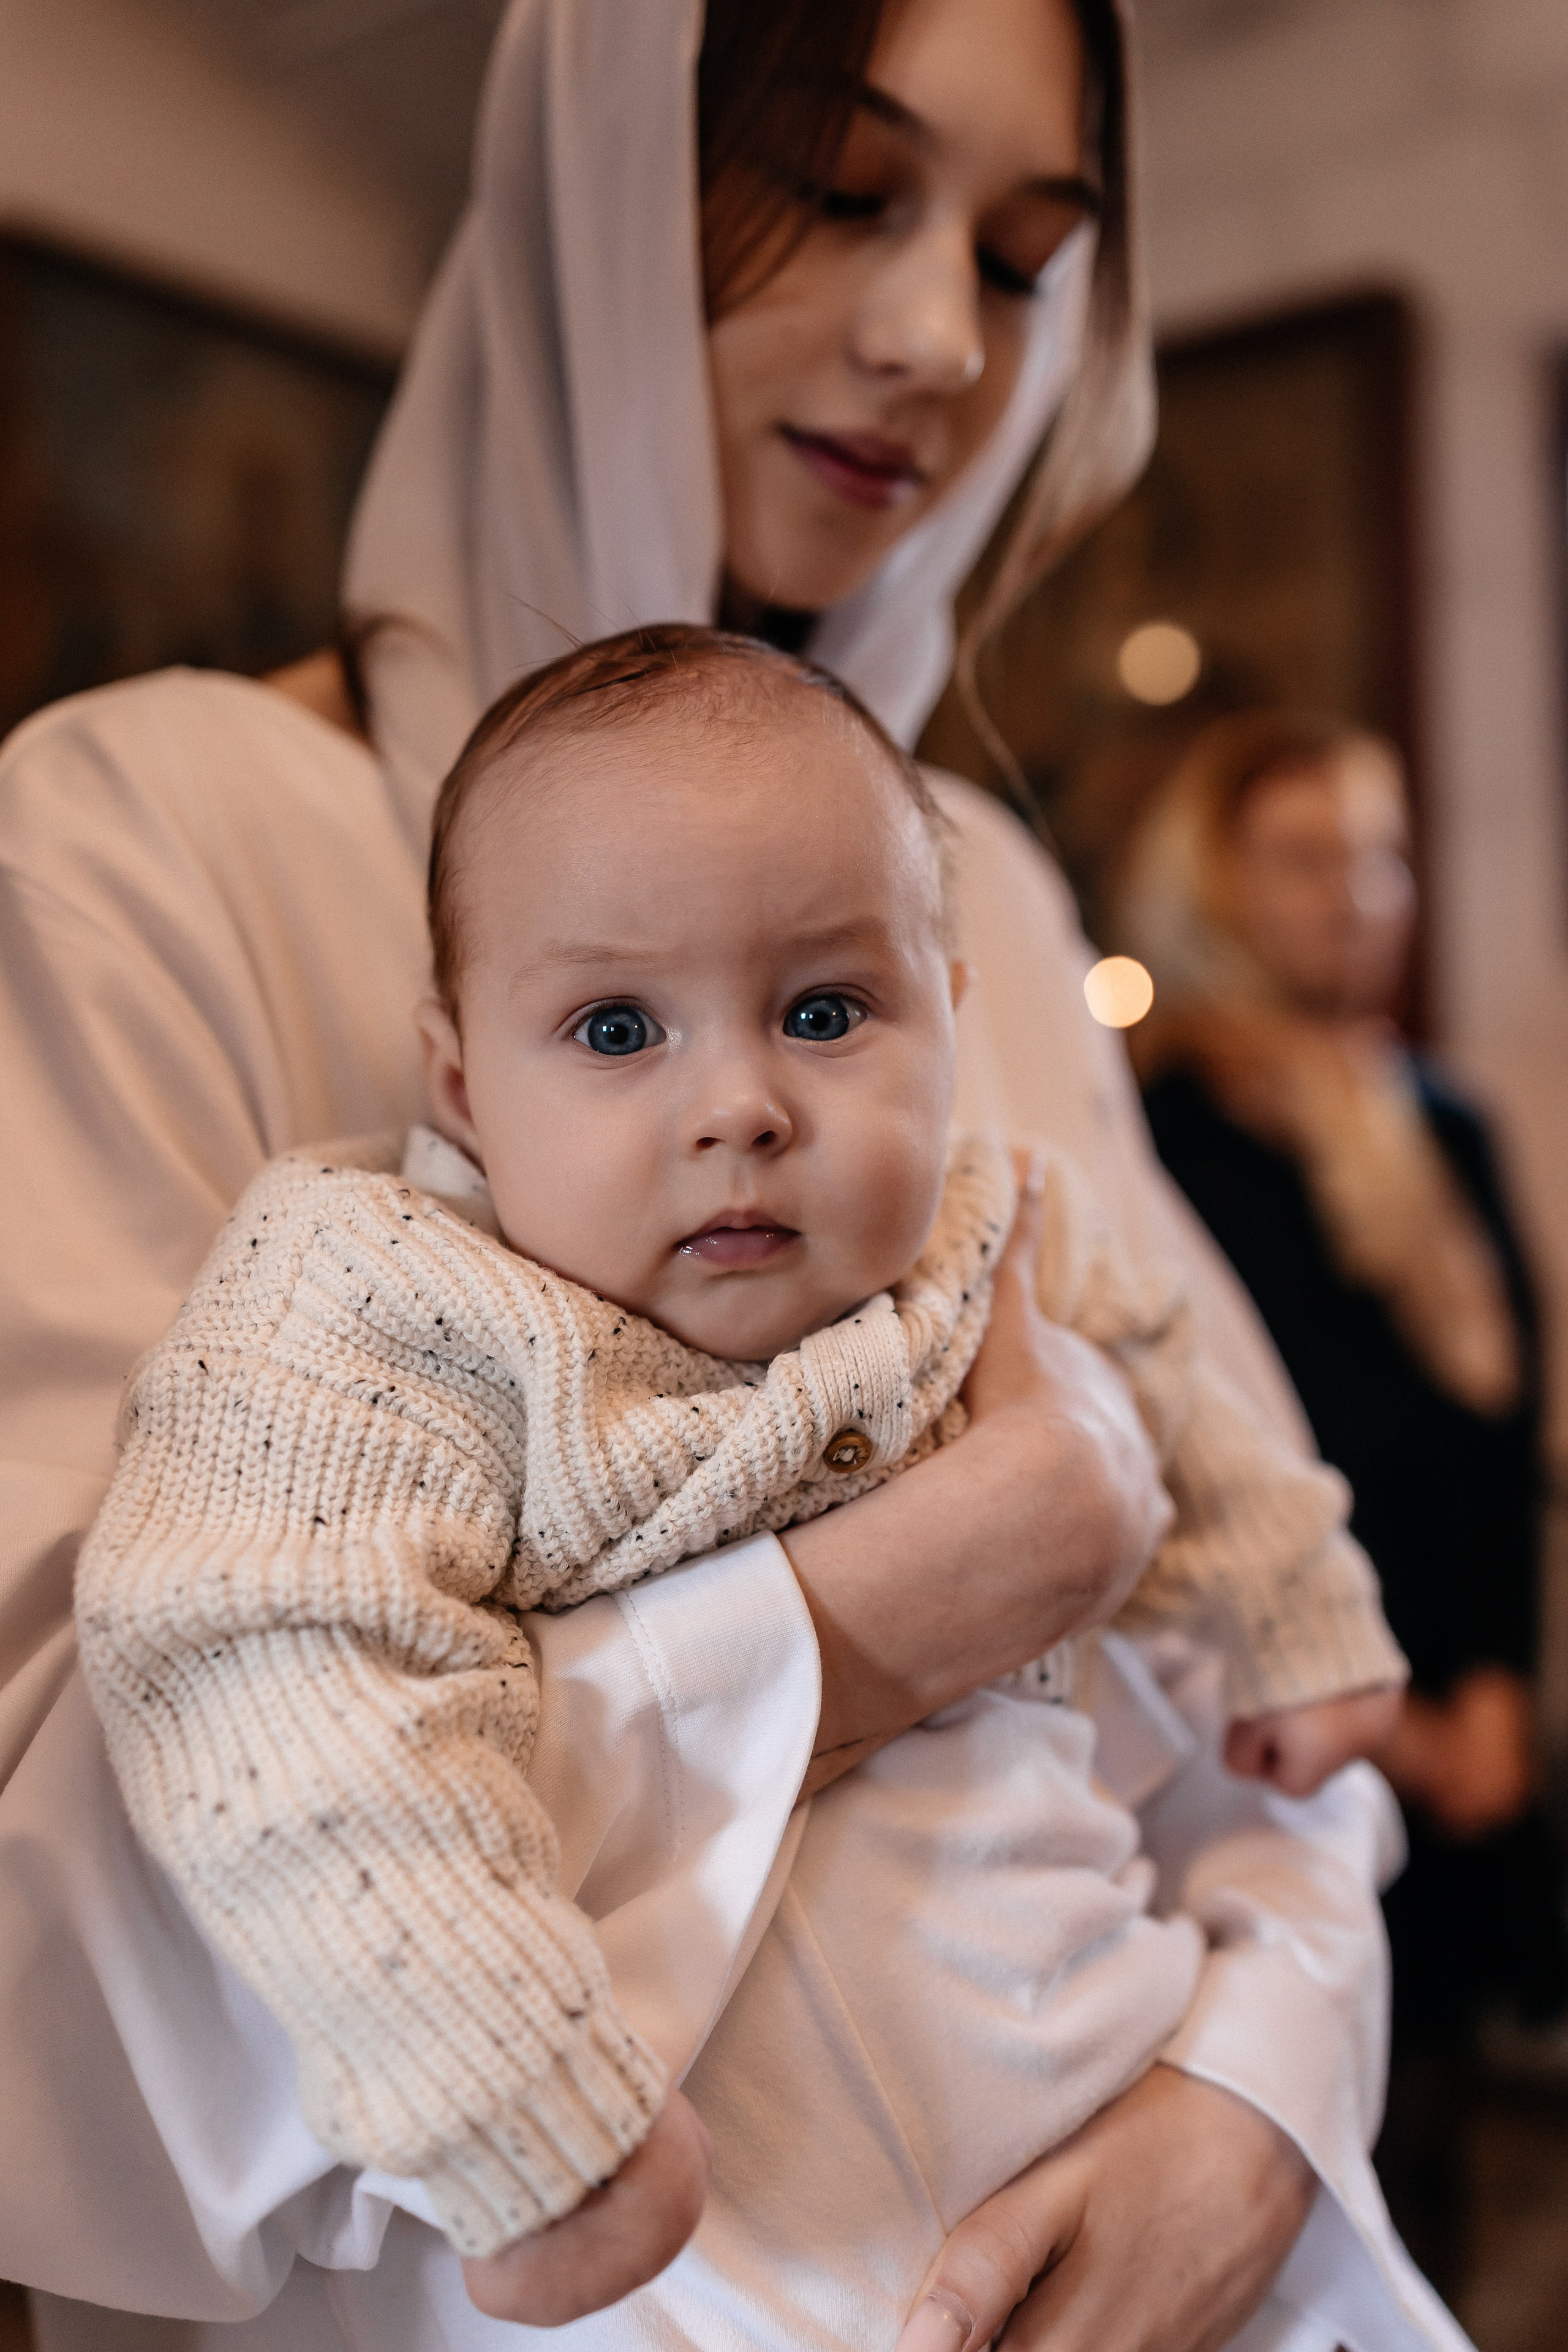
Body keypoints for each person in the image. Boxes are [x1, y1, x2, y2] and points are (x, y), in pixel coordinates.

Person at [0, 4, 1464, 2348]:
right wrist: (895, 1608)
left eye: (1020, 254)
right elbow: (50, 1981)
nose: (934, 344)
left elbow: (1265, 1674)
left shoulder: (969, 881)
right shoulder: (146, 837)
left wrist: (1268, 2103)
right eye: (847, 187)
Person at [77, 625, 1409, 2325]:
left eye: (827, 1011)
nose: (740, 1105)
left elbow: (1173, 1386)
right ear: (463, 1081)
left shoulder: (986, 1234)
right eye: (618, 1025)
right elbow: (271, 1664)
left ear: (955, 1019)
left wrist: (1301, 1613)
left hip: (1105, 2099)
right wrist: (513, 2116)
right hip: (722, 2241)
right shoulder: (386, 1306)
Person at [1118, 706, 1567, 2293]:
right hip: (1298, 1705)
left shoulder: (1439, 1115)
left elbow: (1502, 1429)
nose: (1354, 896)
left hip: (1464, 1701)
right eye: (1303, 859)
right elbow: (1241, 1440)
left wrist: (1500, 1690)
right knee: (1315, 2168)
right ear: (1211, 882)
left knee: (1449, 2161)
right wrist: (1390, 1711)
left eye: (1379, 856)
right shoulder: (1170, 1128)